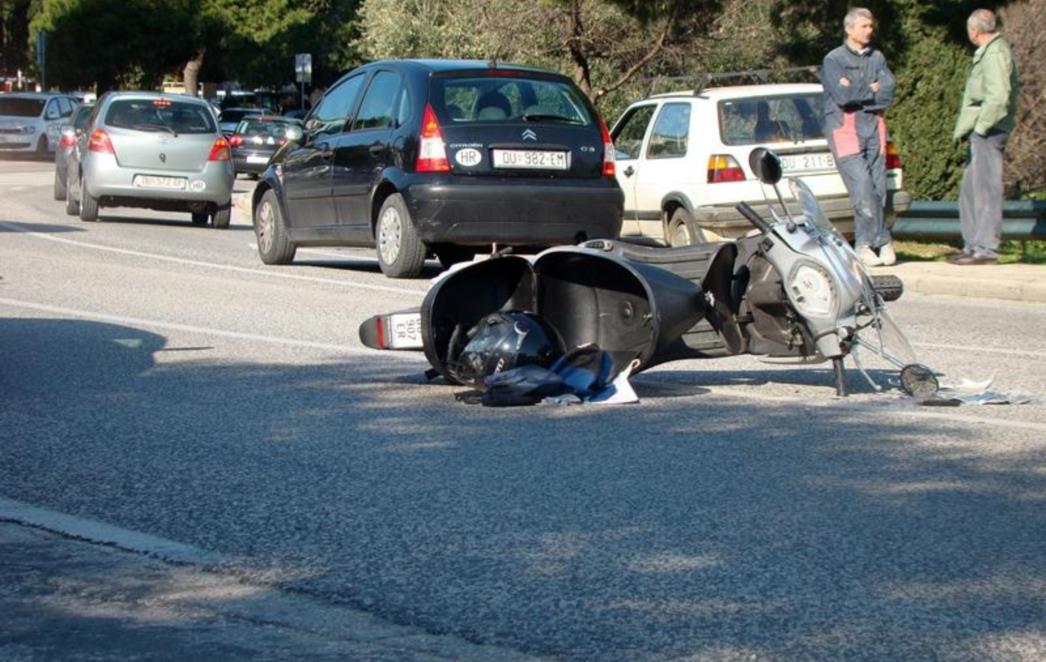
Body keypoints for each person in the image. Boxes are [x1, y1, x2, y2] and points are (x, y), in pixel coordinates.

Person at [821, 7, 897, 267]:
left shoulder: (878, 58)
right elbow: (842, 97)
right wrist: (870, 89)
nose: (869, 31)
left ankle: (867, 243)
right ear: (849, 29)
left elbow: (888, 91)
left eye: (870, 26)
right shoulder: (834, 60)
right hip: (845, 130)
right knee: (862, 187)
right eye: (864, 26)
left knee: (878, 189)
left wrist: (859, 91)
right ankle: (880, 239)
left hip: (874, 127)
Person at [950, 8, 1020, 266]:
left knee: (985, 190)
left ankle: (985, 248)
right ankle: (972, 245)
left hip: (989, 131)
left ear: (974, 30)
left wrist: (981, 127)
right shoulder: (991, 52)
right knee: (970, 190)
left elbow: (999, 96)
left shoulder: (995, 53)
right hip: (982, 130)